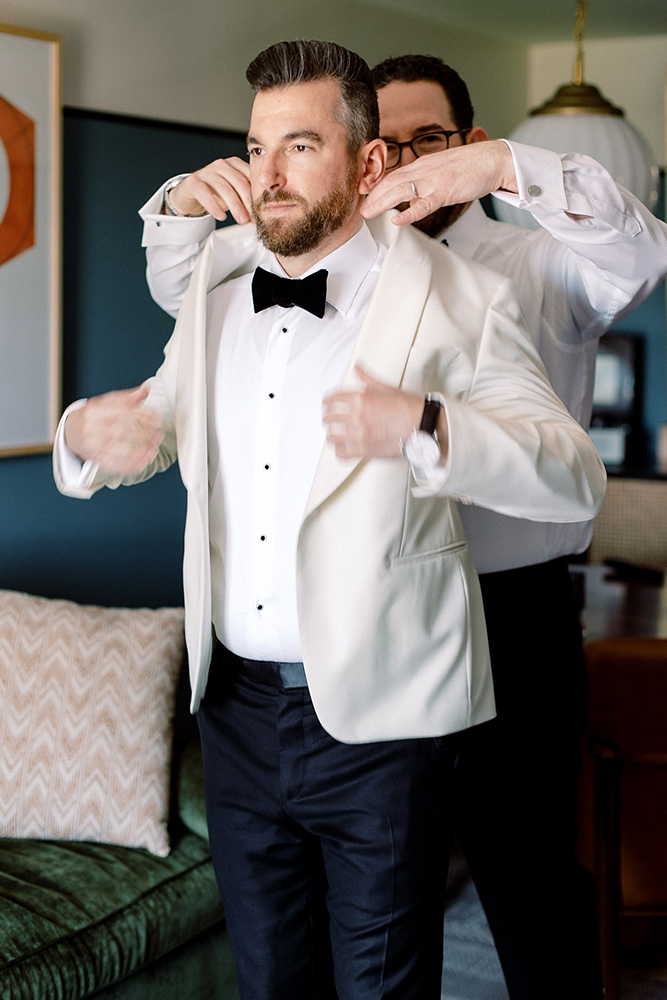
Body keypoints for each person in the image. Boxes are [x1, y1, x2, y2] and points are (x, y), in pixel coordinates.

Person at [54, 40, 606, 1000]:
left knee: (383, 987)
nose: (266, 174)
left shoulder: (458, 298)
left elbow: (573, 477)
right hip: (231, 712)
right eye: (257, 145)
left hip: (382, 722)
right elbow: (155, 425)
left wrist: (429, 427)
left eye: (299, 145)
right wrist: (82, 436)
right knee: (272, 982)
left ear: (368, 163)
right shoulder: (216, 291)